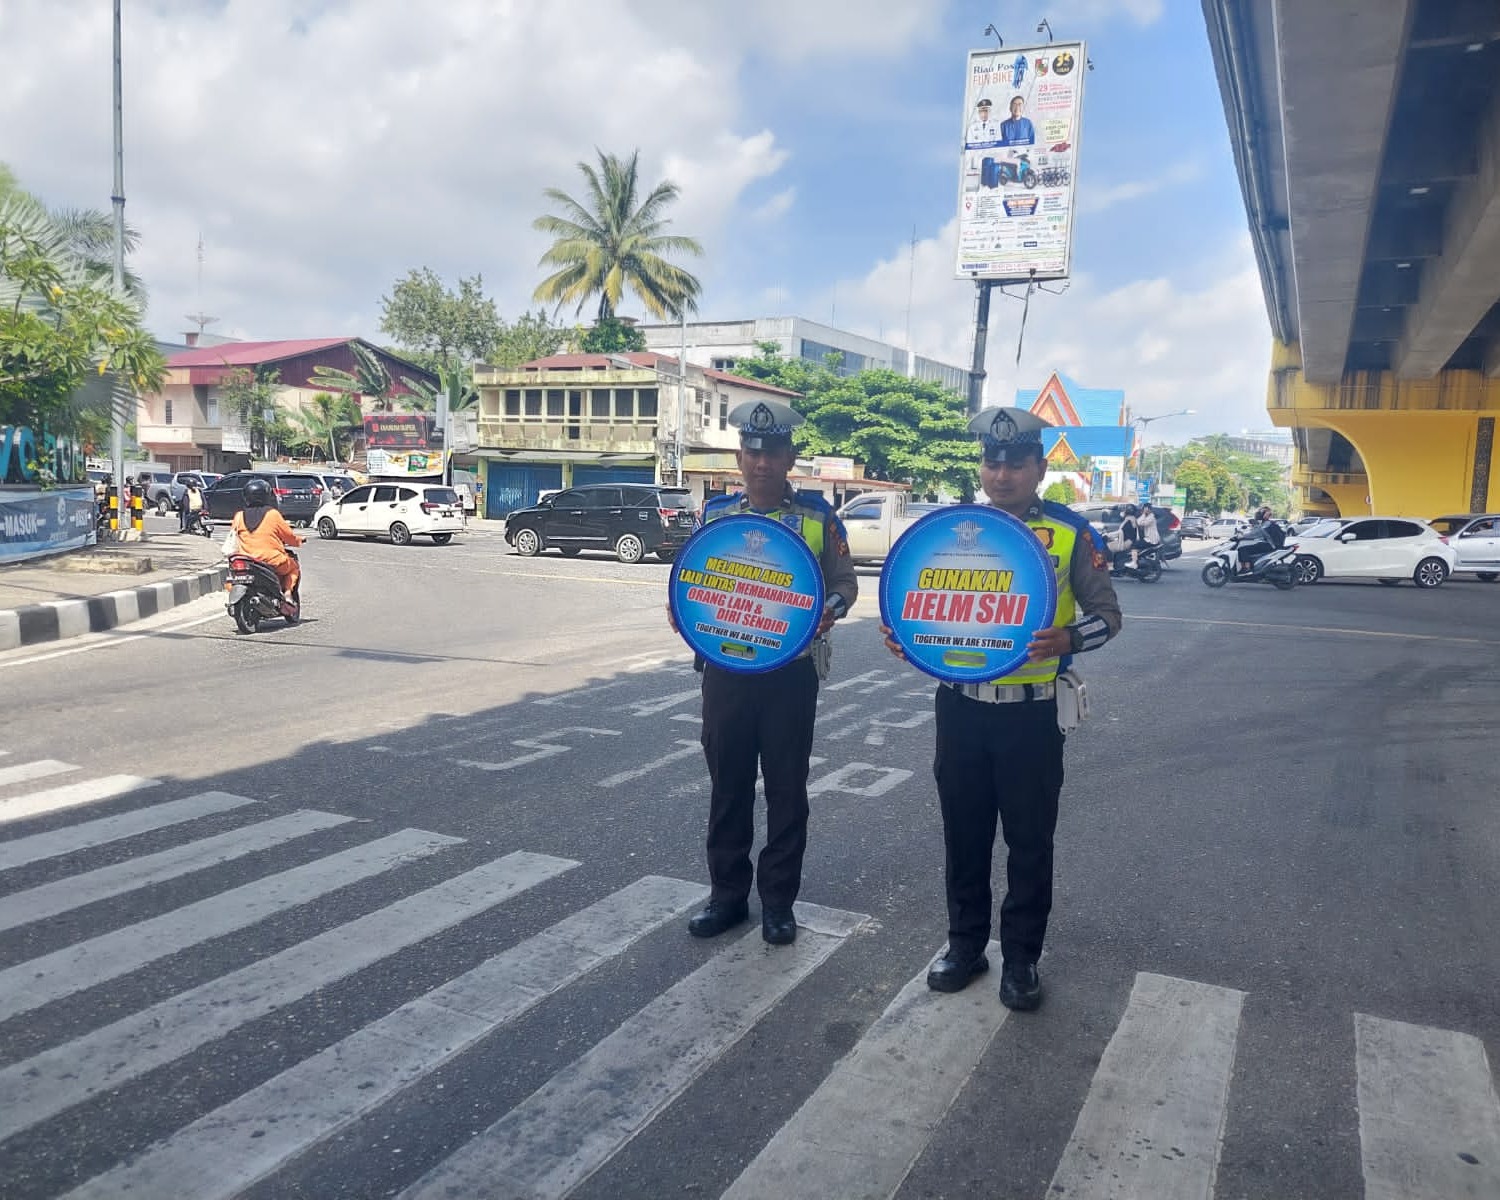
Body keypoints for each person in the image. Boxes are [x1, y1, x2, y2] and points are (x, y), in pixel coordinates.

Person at [879, 407, 1122, 1011]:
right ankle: (965, 946)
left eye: (1016, 463)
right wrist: (907, 636)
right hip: (960, 709)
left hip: (1031, 715)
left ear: (1040, 467)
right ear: (981, 467)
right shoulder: (950, 533)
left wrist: (1069, 639)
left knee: (1029, 841)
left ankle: (1021, 959)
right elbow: (922, 602)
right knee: (963, 835)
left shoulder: (1070, 534)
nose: (1003, 474)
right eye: (992, 462)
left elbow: (1108, 617)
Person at [678, 399, 858, 947]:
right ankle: (727, 896)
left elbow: (846, 585)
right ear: (740, 457)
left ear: (789, 457)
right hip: (726, 671)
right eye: (753, 451)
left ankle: (779, 902)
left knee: (786, 790)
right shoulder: (715, 517)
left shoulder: (819, 519)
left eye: (773, 452)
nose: (762, 462)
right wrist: (683, 611)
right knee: (727, 787)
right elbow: (694, 582)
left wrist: (830, 608)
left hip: (789, 676)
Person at [231, 477, 305, 600]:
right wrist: (298, 540)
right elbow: (288, 537)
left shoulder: (239, 516)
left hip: (245, 560)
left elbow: (233, 536)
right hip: (271, 560)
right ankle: (287, 593)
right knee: (293, 567)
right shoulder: (273, 514)